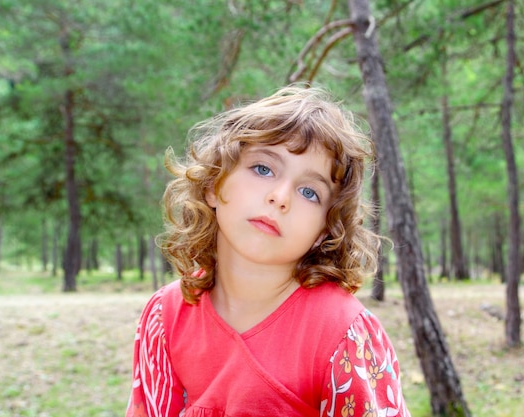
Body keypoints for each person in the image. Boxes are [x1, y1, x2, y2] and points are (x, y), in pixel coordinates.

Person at [126, 86, 411, 417]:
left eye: (309, 192)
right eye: (263, 169)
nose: (280, 196)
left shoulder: (343, 334)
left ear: (324, 230)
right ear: (213, 185)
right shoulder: (165, 316)